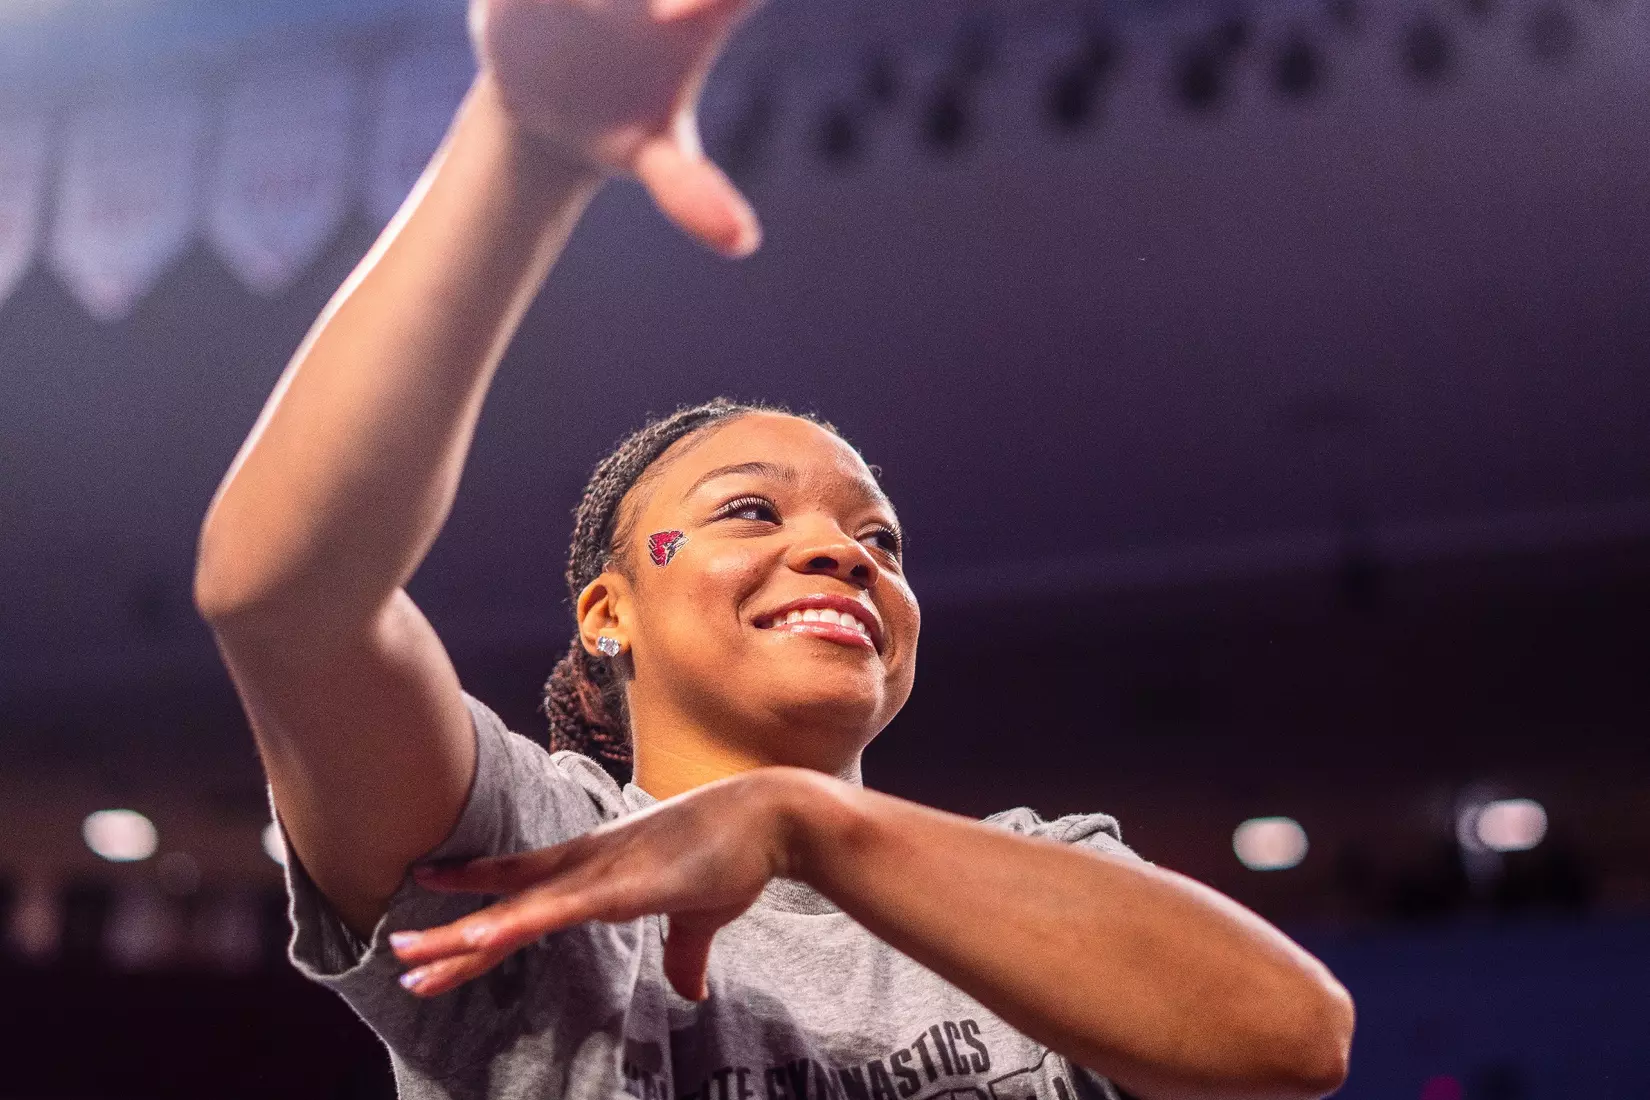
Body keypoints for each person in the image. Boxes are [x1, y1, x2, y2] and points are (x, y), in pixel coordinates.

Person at [192, 0, 1355, 1097]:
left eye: (879, 539)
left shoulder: (1032, 875)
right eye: (753, 510)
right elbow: (285, 598)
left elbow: (1298, 1042)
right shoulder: (535, 860)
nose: (844, 556)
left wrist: (805, 826)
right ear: (608, 611)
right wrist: (525, 149)